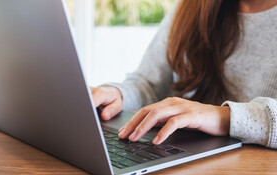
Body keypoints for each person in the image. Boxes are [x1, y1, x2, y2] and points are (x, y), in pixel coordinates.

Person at [91, 0, 277, 149]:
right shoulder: (191, 6)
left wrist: (223, 117)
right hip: (180, 161)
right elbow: (149, 83)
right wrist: (118, 94)